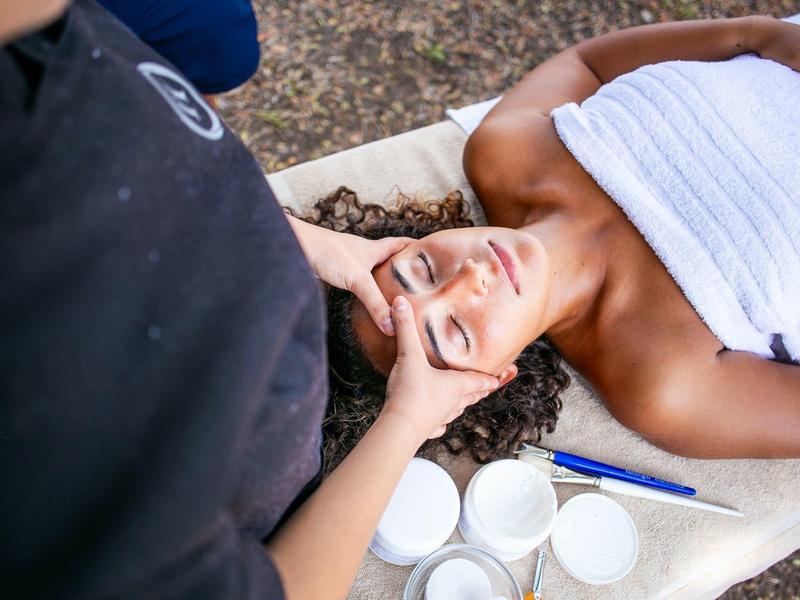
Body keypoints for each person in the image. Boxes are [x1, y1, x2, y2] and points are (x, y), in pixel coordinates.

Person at [0, 1, 499, 599]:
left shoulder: (52, 51)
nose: (474, 275)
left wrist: (288, 233)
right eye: (449, 333)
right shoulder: (70, 485)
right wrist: (405, 422)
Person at [306, 15, 800, 461]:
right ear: (486, 383)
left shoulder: (503, 153)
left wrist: (759, 34)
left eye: (421, 269)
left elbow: (587, 61)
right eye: (456, 331)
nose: (471, 278)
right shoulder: (664, 387)